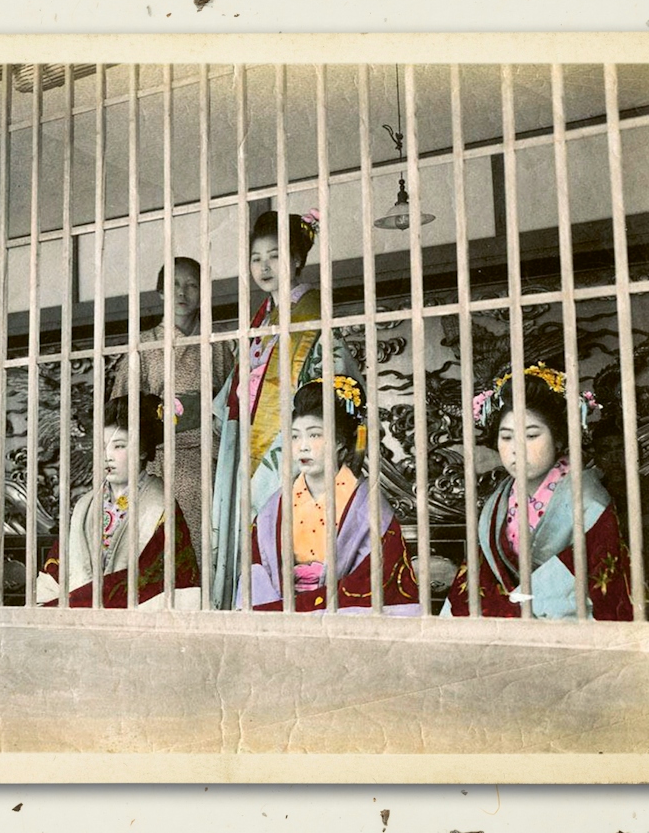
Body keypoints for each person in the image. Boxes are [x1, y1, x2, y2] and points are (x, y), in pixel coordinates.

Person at [208, 208, 361, 610]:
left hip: (292, 451)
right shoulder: (263, 320)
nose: (264, 266)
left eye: (274, 256)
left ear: (295, 260)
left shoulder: (313, 317)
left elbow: (339, 388)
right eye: (256, 258)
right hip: (248, 451)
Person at [443, 364, 633, 620]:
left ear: (559, 439)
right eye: (507, 437)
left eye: (531, 435)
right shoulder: (497, 503)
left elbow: (602, 590)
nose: (516, 449)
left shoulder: (590, 502)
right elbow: (478, 582)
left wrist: (515, 608)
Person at [242, 378, 420, 614]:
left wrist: (312, 608)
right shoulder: (273, 507)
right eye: (295, 436)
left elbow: (373, 581)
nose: (302, 446)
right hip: (281, 618)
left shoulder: (368, 506)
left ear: (339, 441)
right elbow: (257, 574)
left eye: (314, 435)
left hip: (345, 620)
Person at [111, 256, 234, 559]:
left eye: (192, 285)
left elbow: (233, 403)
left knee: (206, 550)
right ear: (161, 292)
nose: (182, 293)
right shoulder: (144, 346)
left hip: (208, 461)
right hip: (158, 463)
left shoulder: (217, 344)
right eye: (174, 285)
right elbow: (120, 414)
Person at [37, 393, 200, 609]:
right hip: (77, 614)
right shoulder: (84, 505)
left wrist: (81, 603)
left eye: (119, 446)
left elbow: (161, 581)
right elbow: (57, 568)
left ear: (143, 450)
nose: (107, 456)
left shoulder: (159, 505)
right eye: (103, 445)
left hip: (134, 617)